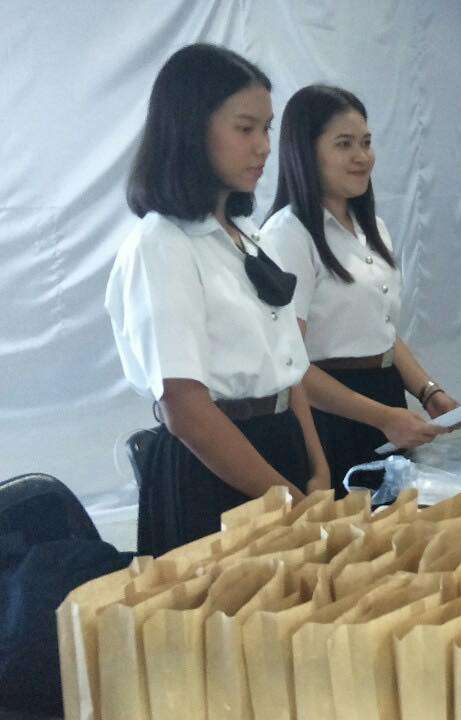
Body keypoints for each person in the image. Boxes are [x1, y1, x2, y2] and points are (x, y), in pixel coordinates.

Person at [105, 44, 327, 555]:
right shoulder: (162, 245)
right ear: (190, 130)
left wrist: (316, 467)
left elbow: (288, 369)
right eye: (245, 129)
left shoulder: (247, 235)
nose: (264, 147)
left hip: (281, 449)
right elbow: (186, 410)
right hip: (215, 473)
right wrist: (286, 501)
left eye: (267, 129)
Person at [259, 85, 459, 495]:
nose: (362, 157)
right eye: (344, 144)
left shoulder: (372, 228)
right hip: (329, 414)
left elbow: (381, 332)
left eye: (366, 143)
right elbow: (288, 364)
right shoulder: (288, 234)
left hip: (384, 397)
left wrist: (428, 391)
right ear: (306, 152)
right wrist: (381, 417)